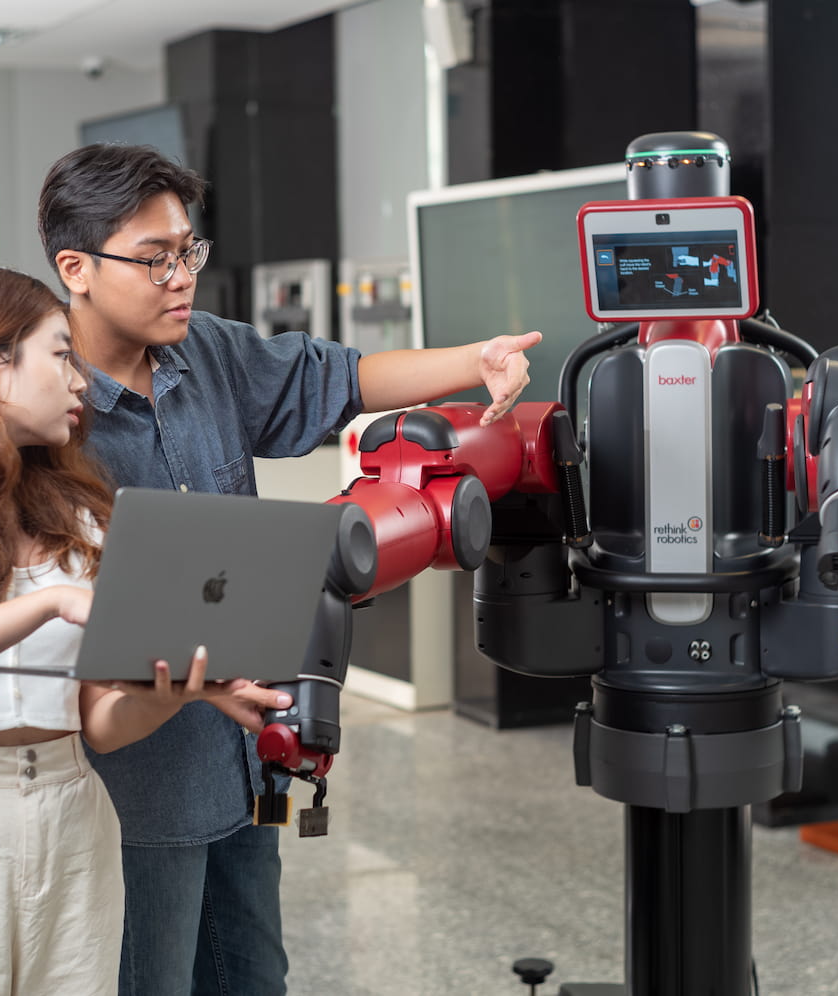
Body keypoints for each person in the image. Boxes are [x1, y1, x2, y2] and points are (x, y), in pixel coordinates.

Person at [37, 143, 543, 995]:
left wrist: (477, 362)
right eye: (154, 259)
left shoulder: (213, 356)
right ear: (75, 268)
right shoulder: (51, 416)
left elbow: (344, 378)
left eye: (188, 252)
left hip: (244, 760)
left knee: (253, 978)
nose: (180, 278)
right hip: (136, 788)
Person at [0, 263, 290, 995]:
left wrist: (179, 692)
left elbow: (99, 721)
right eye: (60, 355)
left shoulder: (79, 519)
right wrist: (46, 605)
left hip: (74, 822)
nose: (81, 382)